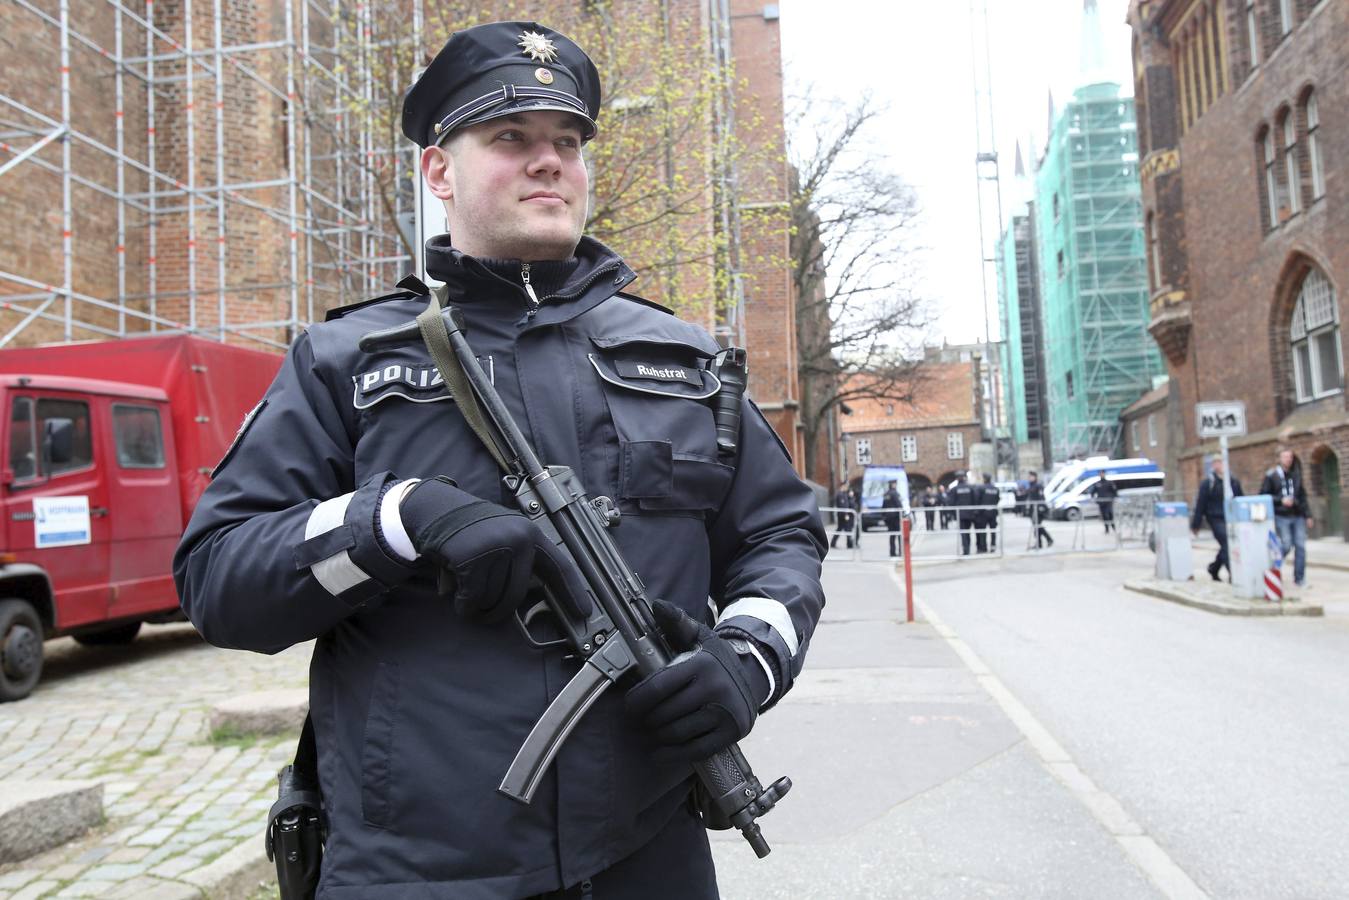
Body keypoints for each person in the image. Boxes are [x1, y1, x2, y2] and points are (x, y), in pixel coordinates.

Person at [172, 22, 826, 900]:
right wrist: (392, 521)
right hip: (421, 870)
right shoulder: (346, 361)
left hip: (648, 850)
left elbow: (781, 534)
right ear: (440, 171)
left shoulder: (686, 360)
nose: (547, 161)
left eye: (567, 141)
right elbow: (218, 581)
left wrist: (748, 656)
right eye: (510, 138)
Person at [1261, 448, 1313, 589]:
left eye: (1290, 457)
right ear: (1279, 458)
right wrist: (1280, 500)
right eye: (1285, 457)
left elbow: (1302, 496)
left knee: (1300, 546)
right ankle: (1272, 568)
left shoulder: (1296, 475)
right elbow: (1264, 495)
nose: (1288, 459)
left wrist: (1308, 515)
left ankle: (1299, 578)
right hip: (1281, 515)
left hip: (1297, 515)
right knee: (1286, 544)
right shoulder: (1271, 476)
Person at [1190, 455, 1243, 582]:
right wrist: (1195, 524)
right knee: (1226, 543)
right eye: (1217, 463)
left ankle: (1214, 568)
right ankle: (1233, 574)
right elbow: (1201, 504)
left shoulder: (1233, 481)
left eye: (1221, 462)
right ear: (1213, 465)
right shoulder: (1208, 483)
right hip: (1215, 518)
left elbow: (1240, 499)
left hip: (1231, 518)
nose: (1219, 465)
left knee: (1229, 544)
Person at [951, 472, 977, 556]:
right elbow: (975, 500)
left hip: (960, 515)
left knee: (963, 533)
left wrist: (953, 515)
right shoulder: (970, 488)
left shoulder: (954, 489)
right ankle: (967, 548)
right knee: (968, 532)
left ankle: (966, 550)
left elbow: (951, 502)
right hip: (970, 514)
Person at [1025, 471, 1053, 549]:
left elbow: (1041, 498)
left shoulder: (1038, 486)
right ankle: (1040, 543)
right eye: (1029, 477)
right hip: (1032, 509)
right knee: (1037, 527)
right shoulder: (1031, 486)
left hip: (1038, 509)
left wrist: (1040, 508)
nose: (1029, 478)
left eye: (1030, 476)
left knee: (1037, 526)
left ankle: (1048, 539)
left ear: (1035, 477)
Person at [831, 481, 857, 549]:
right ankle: (849, 544)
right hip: (842, 515)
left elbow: (848, 504)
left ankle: (847, 544)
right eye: (846, 486)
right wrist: (845, 514)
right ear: (843, 486)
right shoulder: (840, 494)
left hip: (844, 514)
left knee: (842, 529)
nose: (847, 488)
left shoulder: (844, 494)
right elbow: (842, 506)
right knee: (846, 529)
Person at [978, 474, 1000, 552]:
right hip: (993, 512)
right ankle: (993, 546)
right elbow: (997, 499)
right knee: (993, 531)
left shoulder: (981, 488)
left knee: (983, 531)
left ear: (984, 479)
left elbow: (978, 499)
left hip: (983, 513)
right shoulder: (995, 489)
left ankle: (984, 547)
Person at [883, 479, 903, 557]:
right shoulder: (895, 493)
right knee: (899, 534)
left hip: (888, 517)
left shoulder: (886, 494)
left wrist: (884, 516)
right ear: (893, 485)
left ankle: (892, 552)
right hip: (896, 517)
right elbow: (899, 504)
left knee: (892, 535)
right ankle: (901, 551)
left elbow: (883, 506)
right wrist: (903, 513)